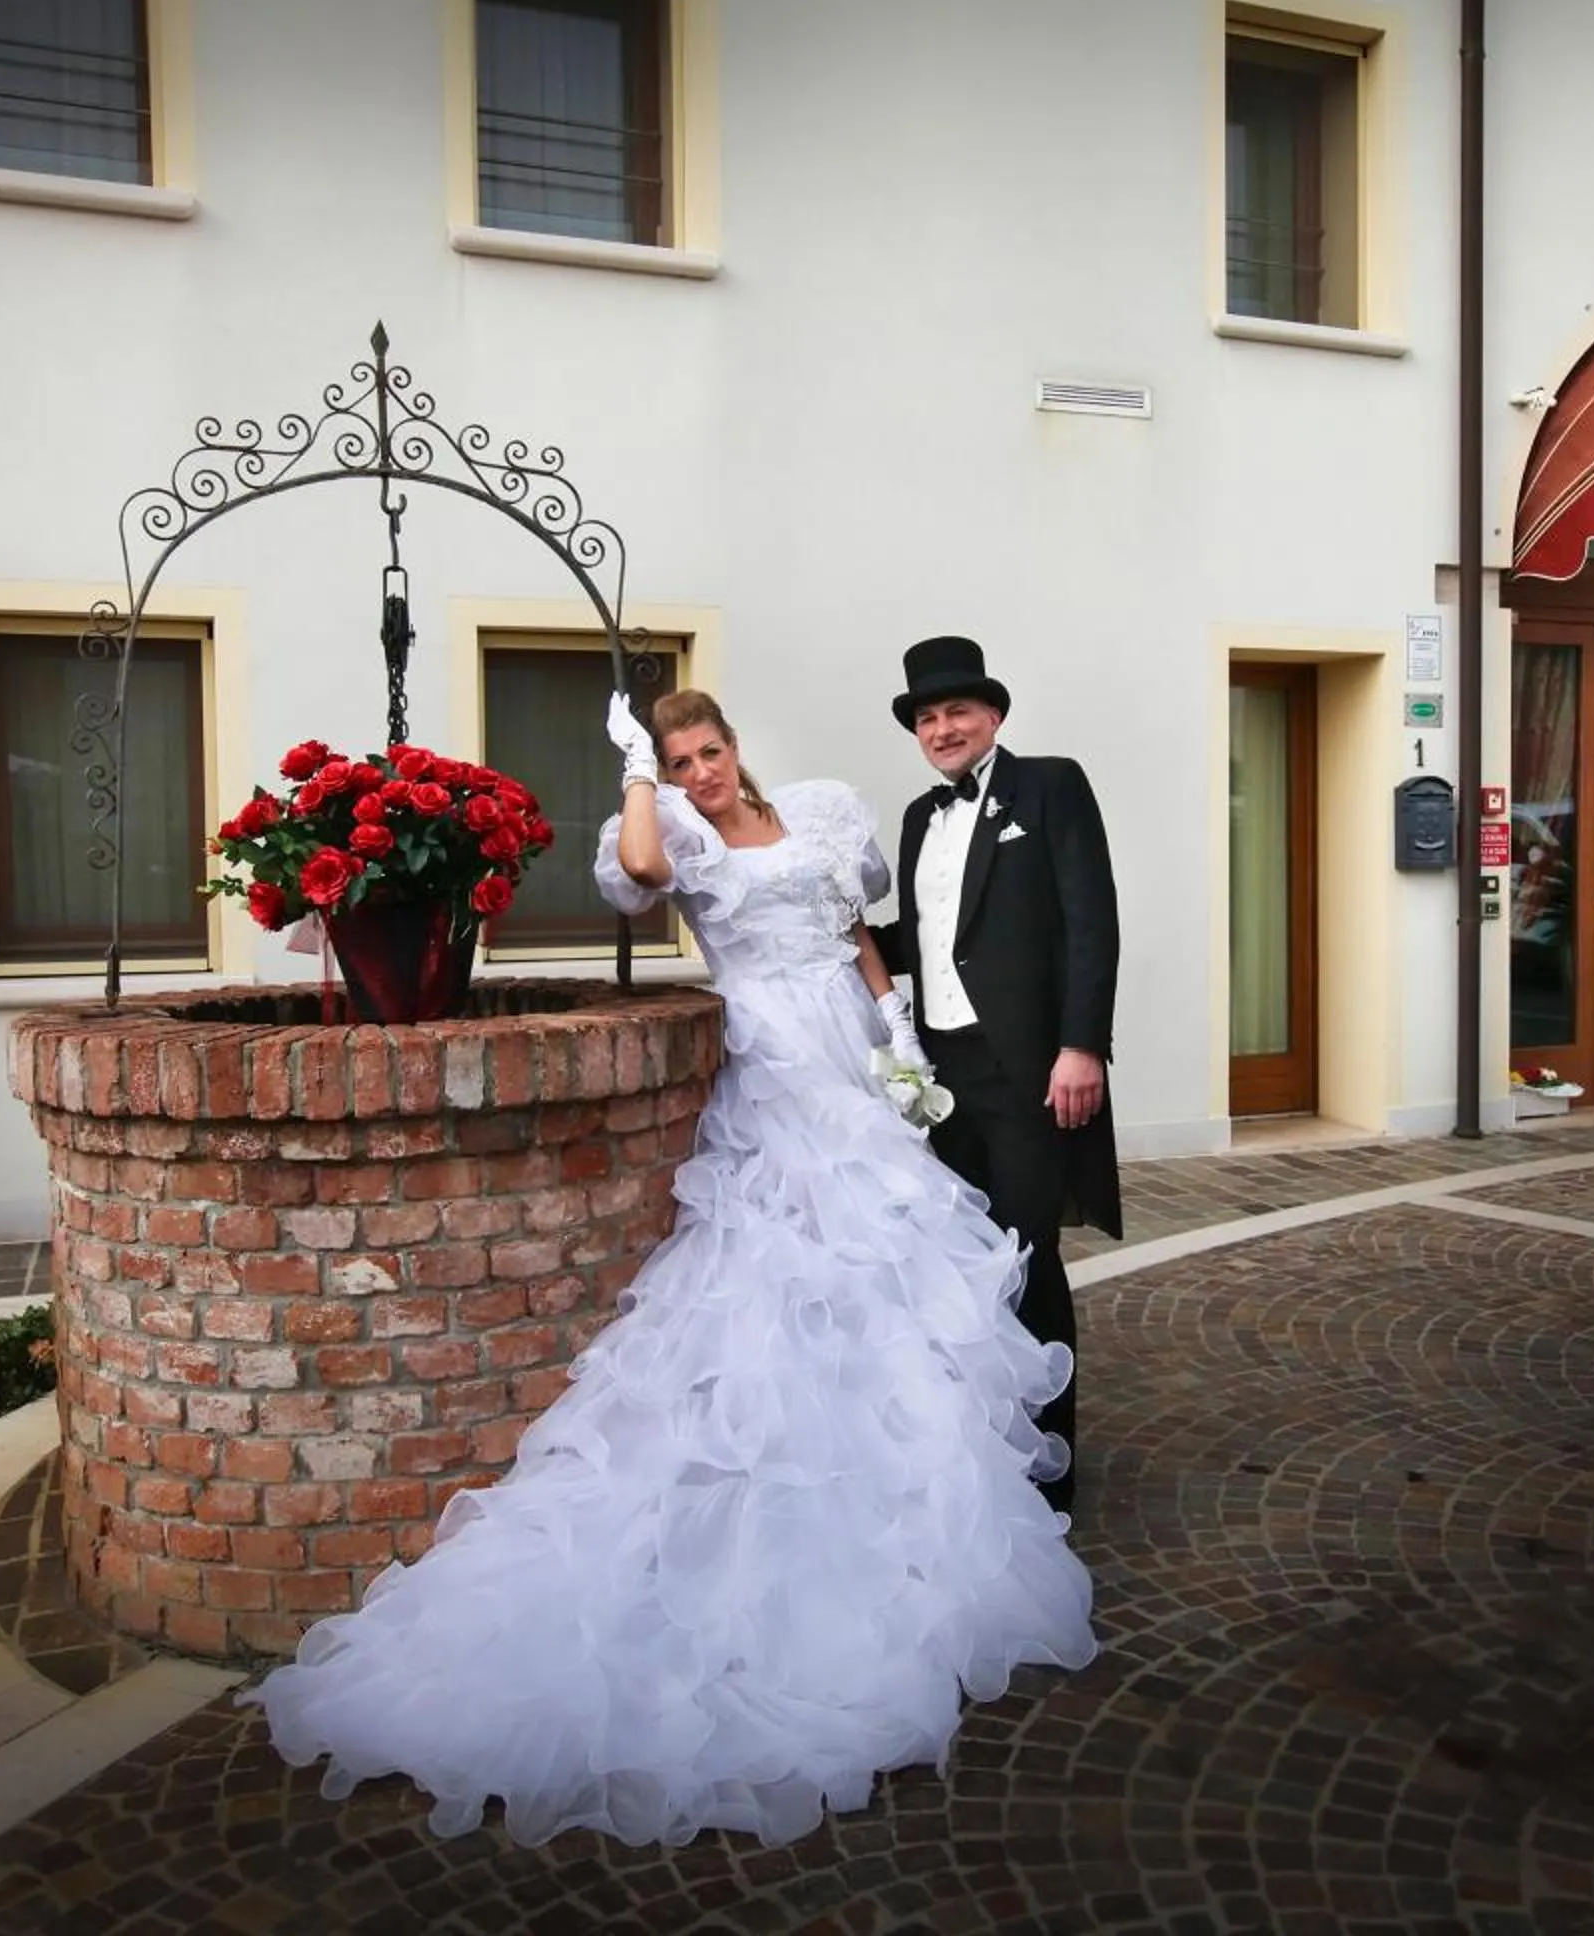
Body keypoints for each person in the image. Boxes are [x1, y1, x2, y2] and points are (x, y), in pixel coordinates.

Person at [241, 688, 1096, 1851]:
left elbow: (854, 922)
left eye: (708, 750)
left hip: (853, 1045)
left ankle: (919, 1472)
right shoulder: (674, 829)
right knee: (797, 1255)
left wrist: (893, 1026)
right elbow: (640, 875)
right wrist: (636, 768)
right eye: (683, 758)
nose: (702, 771)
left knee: (896, 1259)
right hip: (774, 1059)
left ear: (737, 744)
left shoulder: (817, 810)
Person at [872, 636, 1121, 1515]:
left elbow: (1092, 920)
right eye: (927, 718)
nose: (942, 729)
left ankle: (1051, 1471)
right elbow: (927, 939)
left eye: (957, 712)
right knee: (964, 1263)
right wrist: (829, 931)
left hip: (1030, 1069)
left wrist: (1082, 1045)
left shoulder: (1050, 786)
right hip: (945, 1077)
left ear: (994, 716)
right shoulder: (918, 817)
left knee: (1027, 1256)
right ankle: (988, 1445)